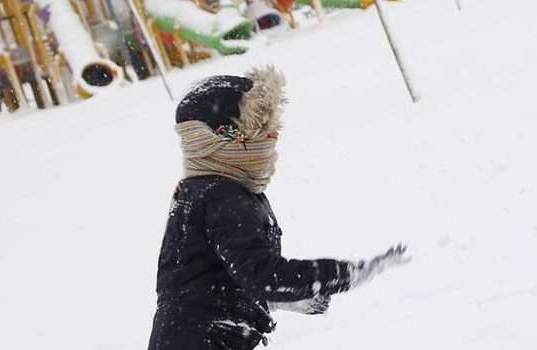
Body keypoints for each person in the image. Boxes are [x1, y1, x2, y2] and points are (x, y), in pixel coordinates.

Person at [148, 66, 408, 350]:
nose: (273, 138)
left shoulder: (210, 190)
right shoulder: (220, 195)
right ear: (225, 137)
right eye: (262, 129)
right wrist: (343, 274)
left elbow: (211, 280)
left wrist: (283, 299)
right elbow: (261, 275)